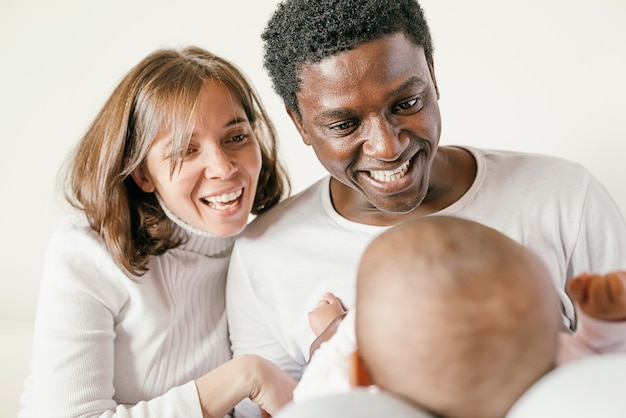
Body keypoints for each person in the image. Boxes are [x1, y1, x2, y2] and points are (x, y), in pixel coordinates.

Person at [225, 0, 626, 416]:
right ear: (299, 124)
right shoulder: (266, 257)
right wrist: (327, 363)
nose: (387, 146)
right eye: (344, 125)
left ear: (432, 75)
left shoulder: (563, 196)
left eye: (406, 104)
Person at [18, 46, 296, 418]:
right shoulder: (86, 254)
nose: (223, 167)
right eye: (186, 149)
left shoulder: (264, 247)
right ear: (143, 174)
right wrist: (244, 376)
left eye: (236, 137)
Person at [298, 216, 626, 418]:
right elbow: (596, 371)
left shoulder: (356, 396)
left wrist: (337, 327)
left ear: (362, 371)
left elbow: (311, 396)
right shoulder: (552, 369)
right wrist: (601, 328)